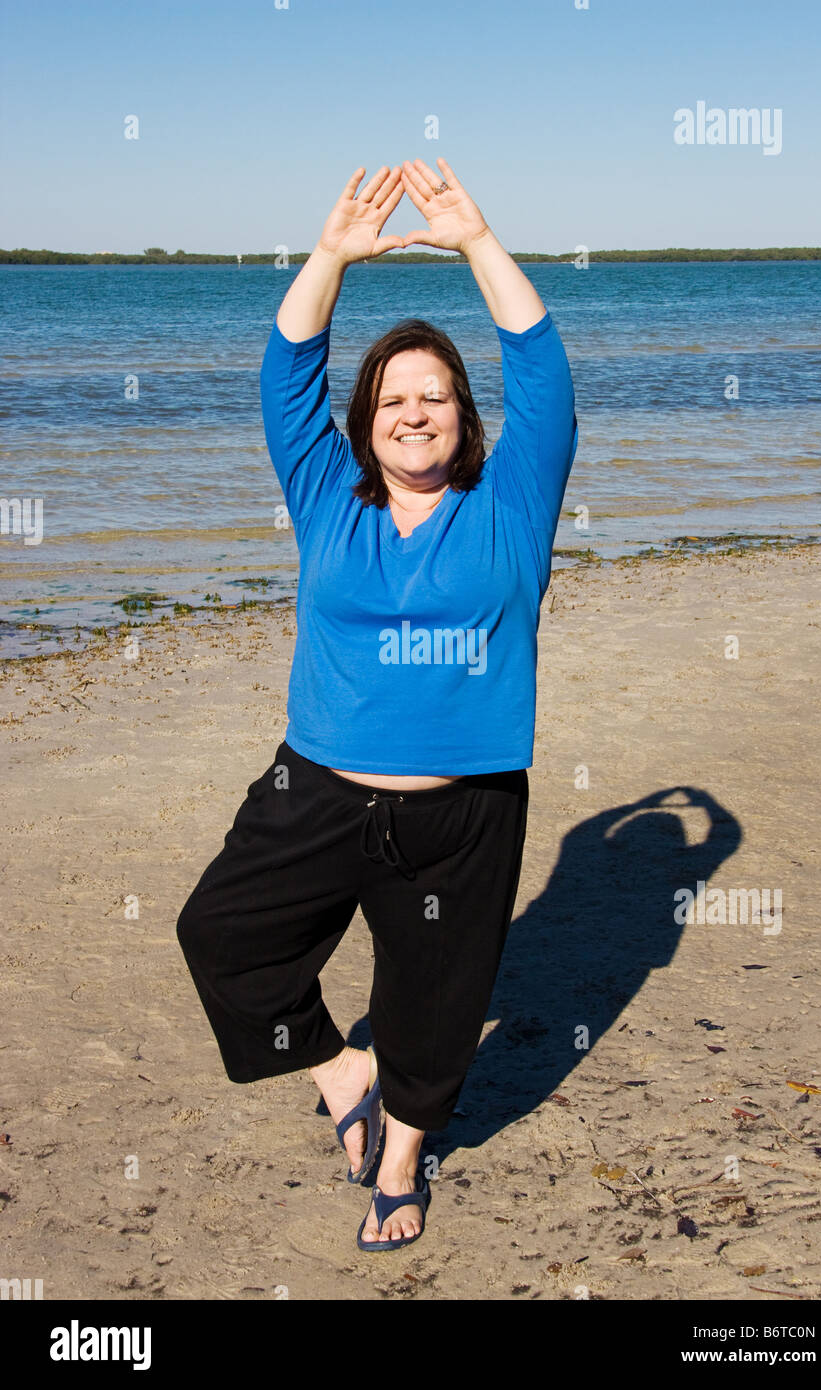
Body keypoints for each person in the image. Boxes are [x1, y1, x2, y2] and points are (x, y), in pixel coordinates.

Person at [176, 156, 579, 1251]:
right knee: (220, 935)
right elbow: (284, 372)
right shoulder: (325, 500)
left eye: (434, 397)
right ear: (365, 422)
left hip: (464, 811)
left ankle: (398, 1160)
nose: (413, 414)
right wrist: (329, 256)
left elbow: (541, 370)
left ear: (462, 417)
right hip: (314, 790)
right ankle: (337, 1067)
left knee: (435, 1006)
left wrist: (477, 242)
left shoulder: (509, 506)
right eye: (392, 399)